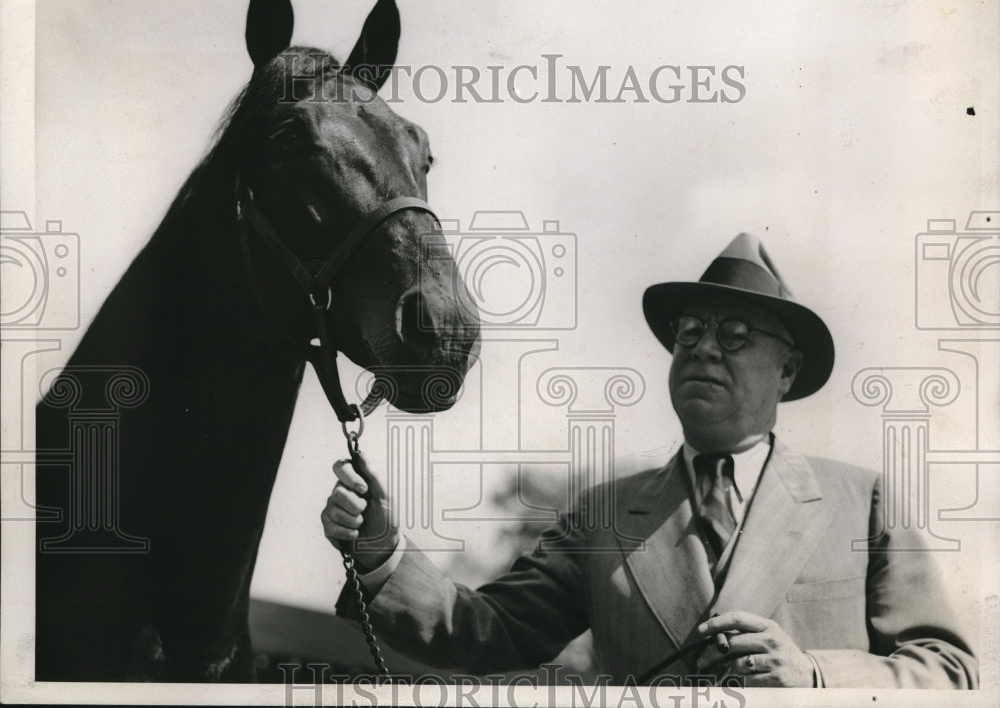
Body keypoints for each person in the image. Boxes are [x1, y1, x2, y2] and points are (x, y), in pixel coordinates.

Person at [322, 233, 977, 688]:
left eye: (735, 336)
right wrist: (380, 549)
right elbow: (484, 630)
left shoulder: (864, 502)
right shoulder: (603, 517)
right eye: (689, 334)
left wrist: (812, 676)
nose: (704, 350)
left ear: (789, 370)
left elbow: (947, 670)